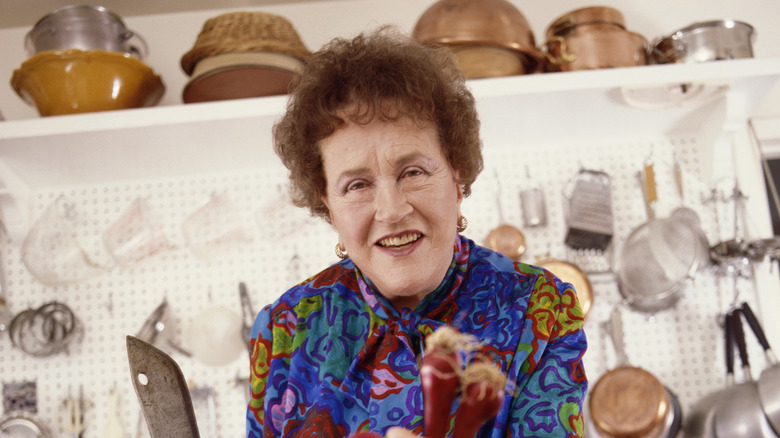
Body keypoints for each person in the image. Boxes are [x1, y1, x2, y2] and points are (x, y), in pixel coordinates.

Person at [246, 26, 587, 438]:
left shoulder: (540, 309)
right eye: (357, 185)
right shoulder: (284, 329)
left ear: (456, 176)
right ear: (328, 205)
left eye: (413, 172)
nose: (392, 210)